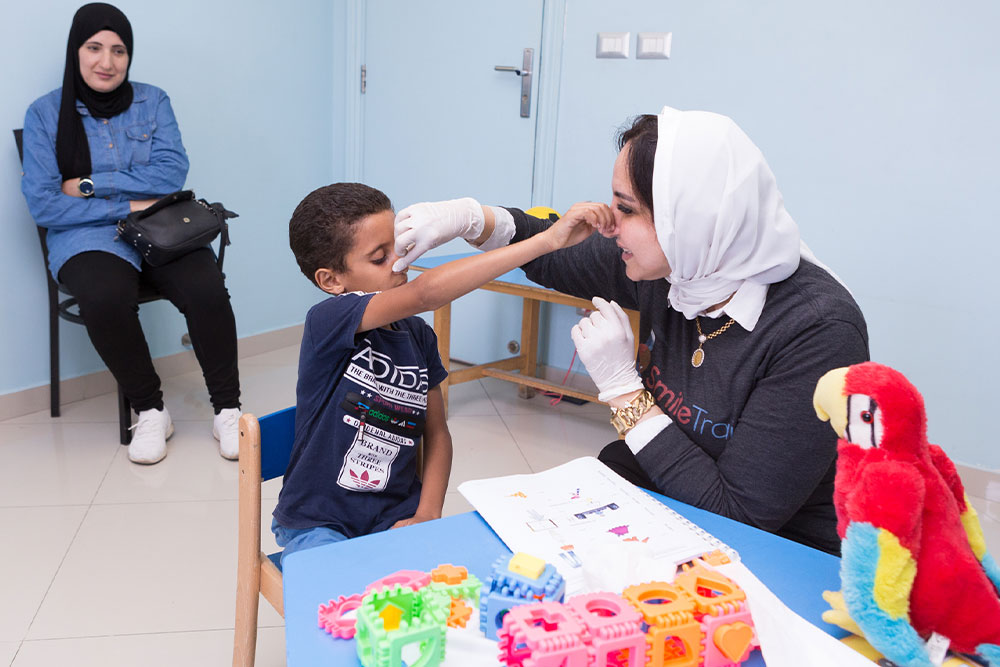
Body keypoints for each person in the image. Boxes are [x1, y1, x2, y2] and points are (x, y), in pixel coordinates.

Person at [390, 108, 869, 554]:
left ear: (690, 218)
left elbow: (739, 515)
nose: (610, 224)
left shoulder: (817, 330)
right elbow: (556, 253)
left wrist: (624, 392)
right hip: (672, 491)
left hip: (776, 546)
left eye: (627, 208)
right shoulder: (683, 268)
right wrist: (472, 219)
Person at [272, 182, 591, 566]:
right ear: (331, 281)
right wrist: (547, 241)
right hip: (318, 522)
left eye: (399, 246)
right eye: (379, 258)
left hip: (392, 515)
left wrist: (427, 515)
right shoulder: (329, 320)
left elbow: (437, 435)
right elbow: (427, 293)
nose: (400, 261)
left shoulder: (418, 336)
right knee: (340, 606)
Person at [20, 3, 241, 464]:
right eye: (94, 47)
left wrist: (88, 185)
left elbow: (171, 172)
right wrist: (126, 204)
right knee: (103, 297)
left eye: (119, 50)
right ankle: (150, 409)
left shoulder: (152, 100)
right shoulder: (44, 114)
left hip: (158, 225)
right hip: (85, 236)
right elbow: (43, 202)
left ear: (129, 54)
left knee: (206, 287)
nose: (107, 61)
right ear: (75, 51)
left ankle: (228, 410)